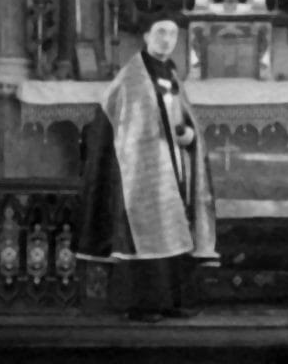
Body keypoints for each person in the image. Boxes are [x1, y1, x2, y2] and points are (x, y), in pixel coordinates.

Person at [76, 16, 217, 322]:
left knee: (175, 228)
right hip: (141, 170)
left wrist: (190, 136)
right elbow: (122, 126)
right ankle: (144, 304)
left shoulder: (170, 73)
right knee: (149, 232)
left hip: (173, 164)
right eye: (161, 32)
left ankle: (172, 300)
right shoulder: (132, 77)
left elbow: (183, 117)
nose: (167, 39)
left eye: (172, 34)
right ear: (146, 36)